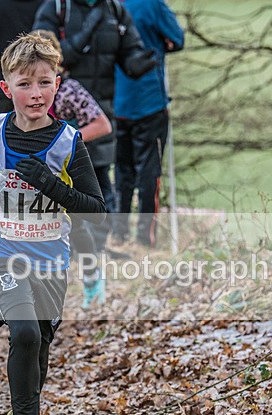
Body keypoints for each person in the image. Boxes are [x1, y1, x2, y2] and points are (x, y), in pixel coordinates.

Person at [0, 33, 105, 415]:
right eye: (24, 84)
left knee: (40, 345)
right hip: (2, 249)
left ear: (57, 84)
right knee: (23, 335)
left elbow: (96, 210)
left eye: (43, 83)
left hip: (51, 257)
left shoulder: (68, 141)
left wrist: (52, 185)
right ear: (7, 89)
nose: (35, 93)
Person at [33, 0, 156, 257]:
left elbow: (129, 52)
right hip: (61, 106)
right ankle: (65, 247)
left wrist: (143, 60)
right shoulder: (56, 8)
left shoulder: (115, 10)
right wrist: (87, 30)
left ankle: (96, 248)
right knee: (60, 186)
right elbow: (43, 55)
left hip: (100, 110)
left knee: (99, 185)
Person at [33, 29, 111, 308]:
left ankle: (92, 281)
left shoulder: (69, 90)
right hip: (34, 176)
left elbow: (103, 124)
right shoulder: (26, 91)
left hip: (67, 171)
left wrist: (69, 138)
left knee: (76, 229)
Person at [112, 0, 184, 248]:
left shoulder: (108, 5)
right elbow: (178, 38)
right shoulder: (153, 4)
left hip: (116, 100)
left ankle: (119, 232)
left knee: (122, 170)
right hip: (149, 99)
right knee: (149, 172)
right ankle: (144, 238)